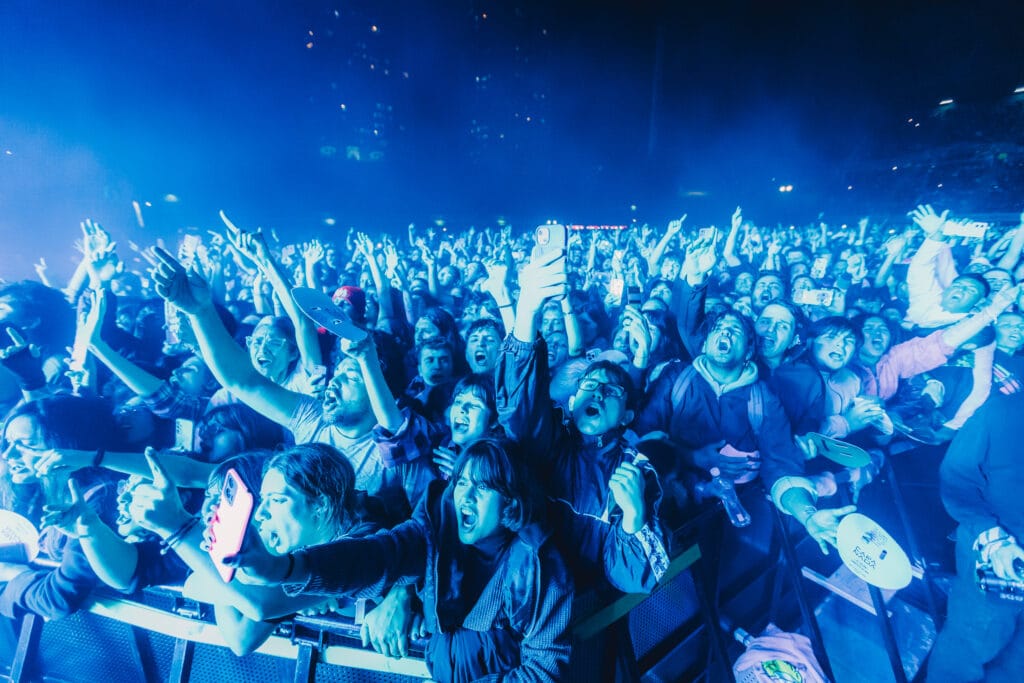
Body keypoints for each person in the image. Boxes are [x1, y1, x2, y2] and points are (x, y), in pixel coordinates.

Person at [228, 439, 575, 683]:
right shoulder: (436, 528)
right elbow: (376, 556)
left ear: (511, 501)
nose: (465, 497)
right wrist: (290, 568)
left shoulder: (541, 570)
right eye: (462, 482)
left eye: (482, 488)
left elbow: (543, 673)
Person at [927, 390, 1024, 682]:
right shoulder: (1001, 411)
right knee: (972, 643)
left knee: (1017, 662)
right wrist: (994, 540)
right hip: (998, 552)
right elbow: (956, 477)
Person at [0, 395, 122, 621]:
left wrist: (10, 572)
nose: (8, 455)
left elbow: (59, 597)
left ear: (65, 446)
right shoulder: (33, 491)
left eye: (26, 445)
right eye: (8, 444)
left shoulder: (98, 503)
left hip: (93, 636)